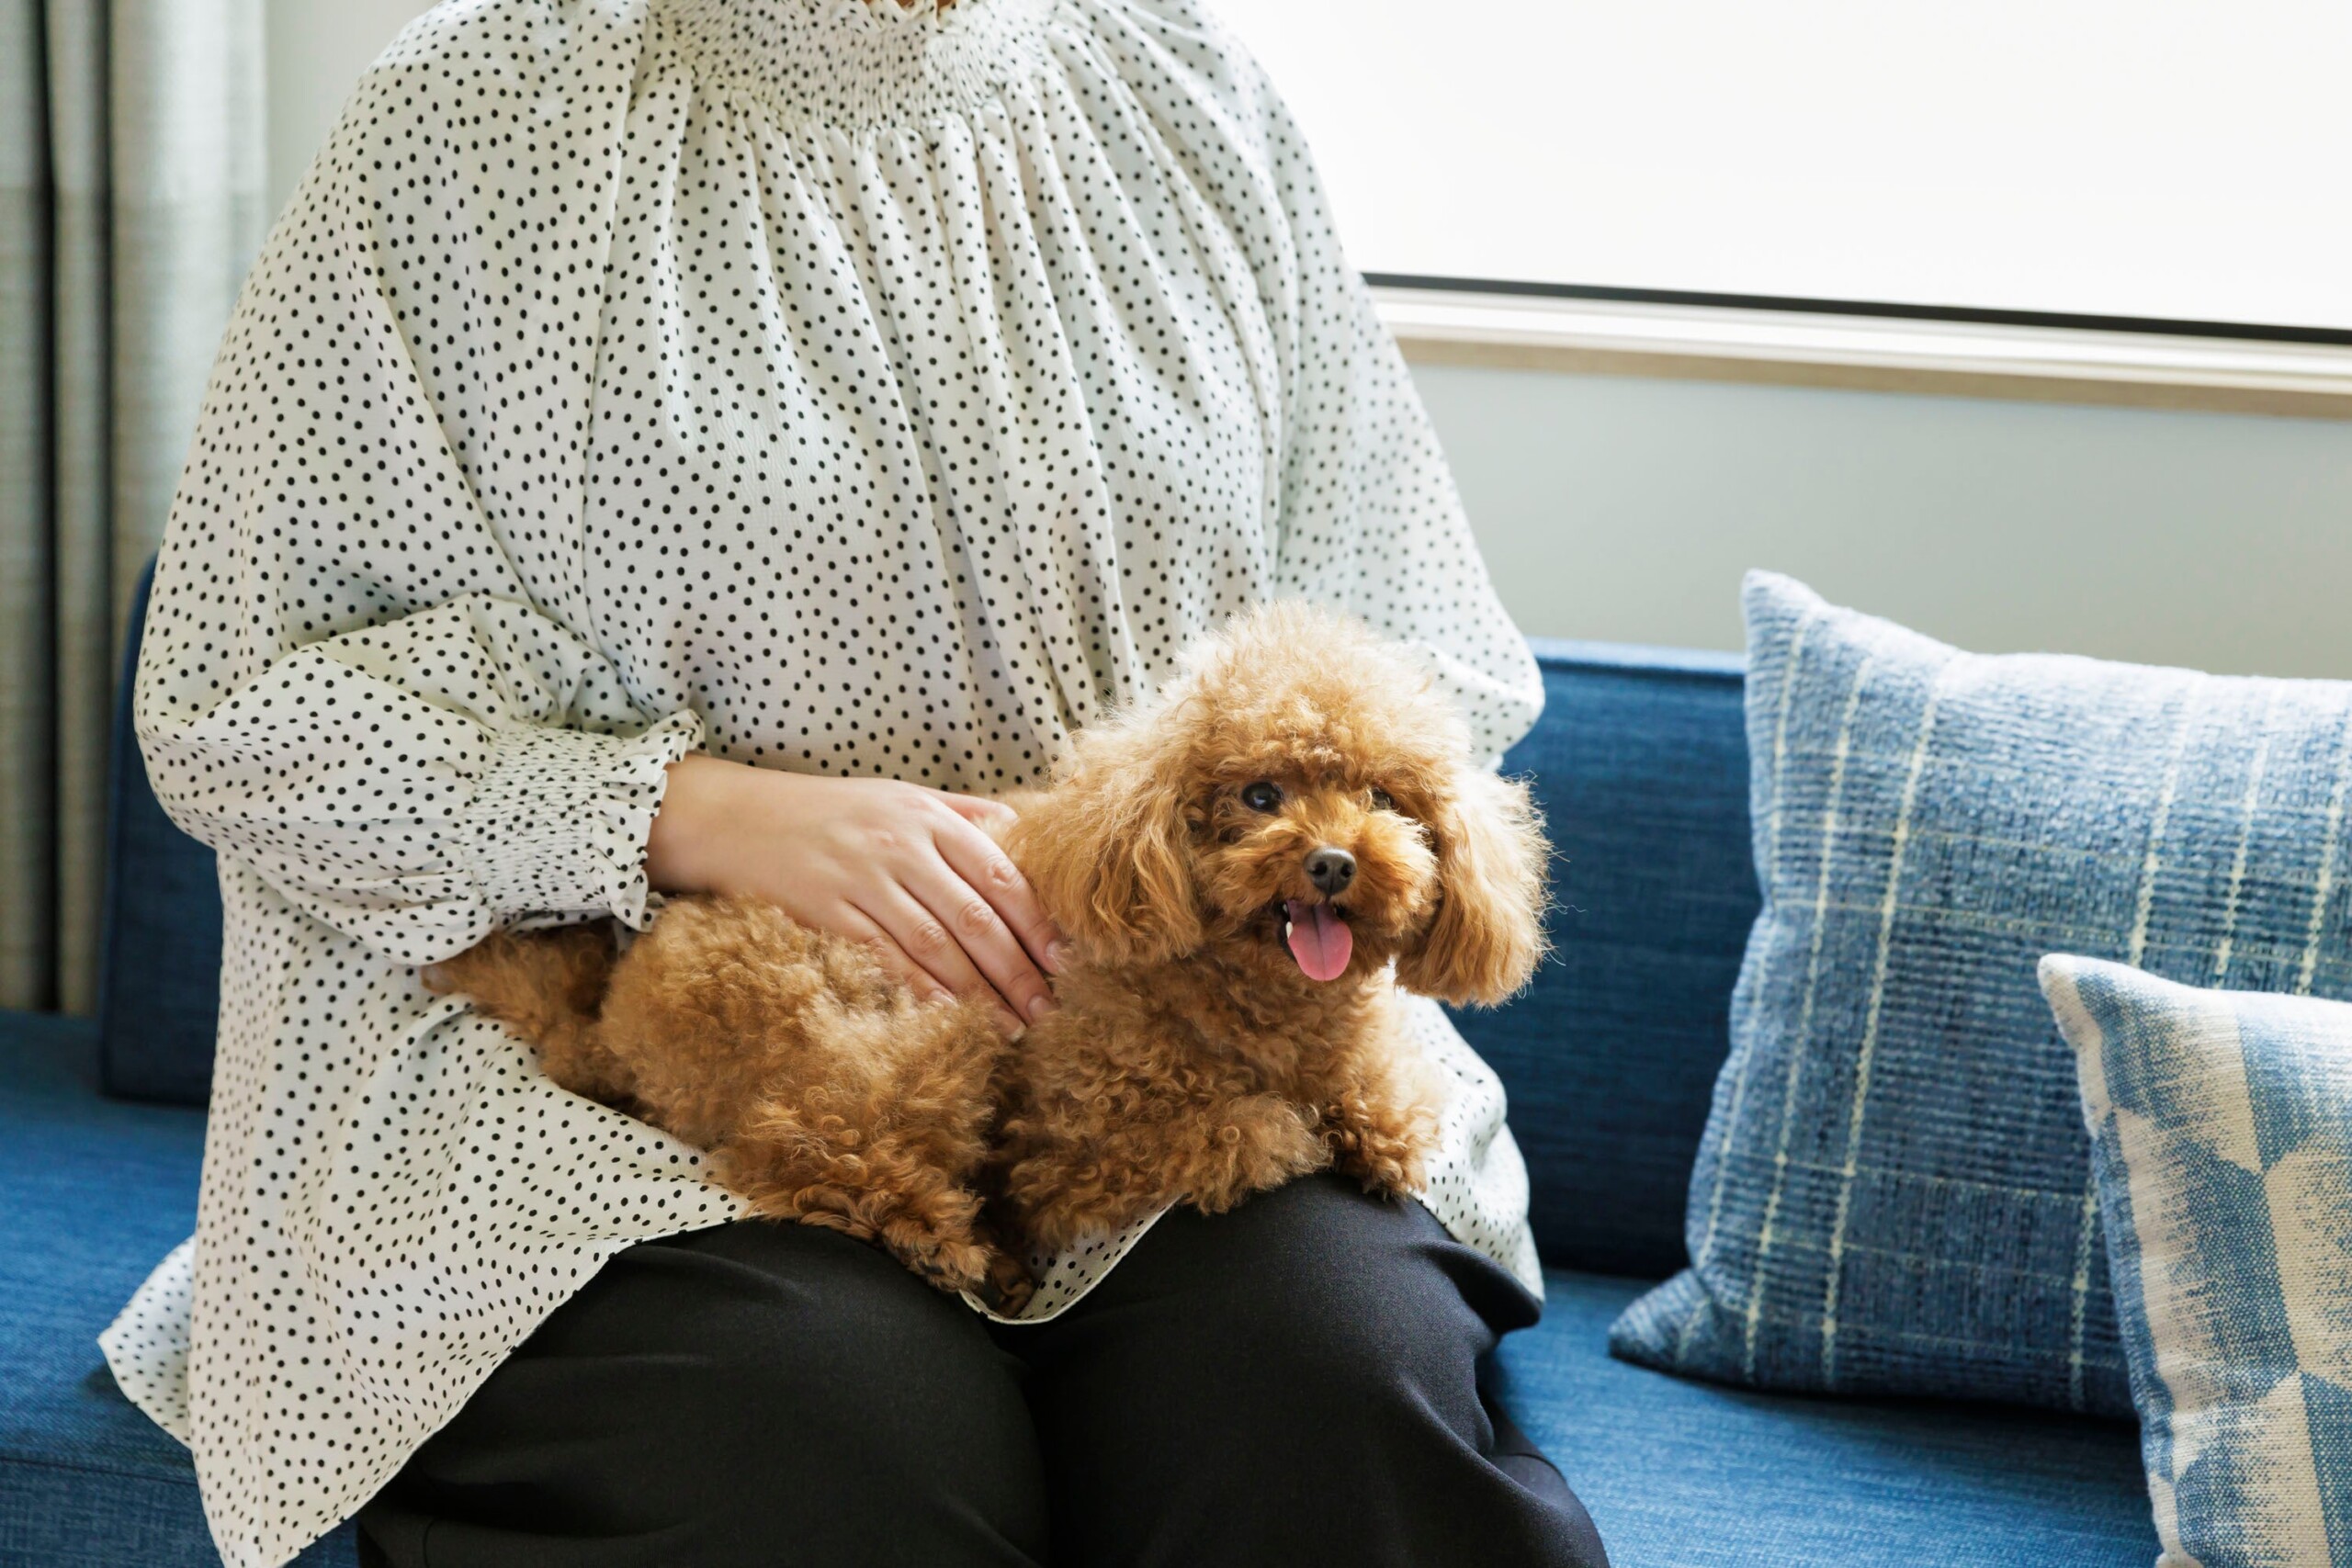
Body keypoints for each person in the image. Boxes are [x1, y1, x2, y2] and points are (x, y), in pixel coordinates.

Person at [101, 1, 1610, 1563]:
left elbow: (1422, 656)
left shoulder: (1188, 89)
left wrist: (1167, 852)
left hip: (1184, 1046)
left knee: (1318, 1396)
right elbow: (239, 693)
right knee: (835, 1437)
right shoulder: (475, 117)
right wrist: (692, 815)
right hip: (635, 1097)